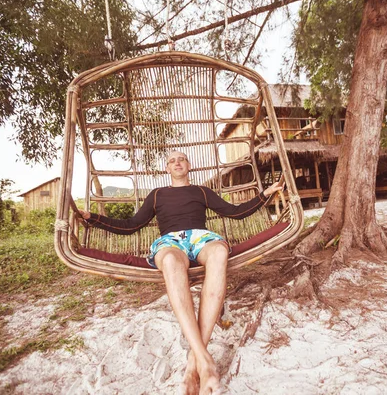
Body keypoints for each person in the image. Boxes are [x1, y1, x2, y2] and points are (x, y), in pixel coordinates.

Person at [78, 151, 283, 395]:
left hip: (201, 238)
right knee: (172, 263)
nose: (177, 162)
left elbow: (234, 212)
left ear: (189, 165)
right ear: (167, 168)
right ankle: (203, 362)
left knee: (219, 253)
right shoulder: (157, 195)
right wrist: (93, 218)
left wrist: (264, 196)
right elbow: (132, 225)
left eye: (182, 159)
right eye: (172, 160)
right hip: (170, 242)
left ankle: (194, 363)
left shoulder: (201, 192)